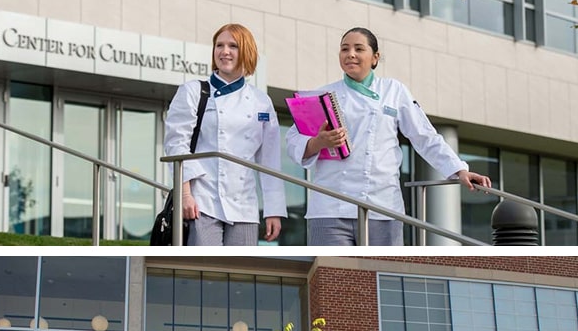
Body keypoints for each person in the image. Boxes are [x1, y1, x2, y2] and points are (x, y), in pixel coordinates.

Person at [285, 27, 490, 245]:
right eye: (344, 49)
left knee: (379, 272)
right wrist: (318, 142)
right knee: (333, 269)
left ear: (375, 57)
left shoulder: (394, 90)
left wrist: (459, 170)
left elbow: (424, 135)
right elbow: (292, 140)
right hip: (331, 206)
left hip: (382, 205)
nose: (350, 54)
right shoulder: (322, 95)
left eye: (358, 49)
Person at [164, 23, 286, 246]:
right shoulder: (193, 91)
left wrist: (273, 210)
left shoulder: (262, 101)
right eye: (219, 45)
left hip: (244, 205)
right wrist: (185, 194)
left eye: (233, 46)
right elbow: (176, 144)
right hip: (202, 200)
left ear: (247, 52)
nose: (224, 51)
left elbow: (270, 160)